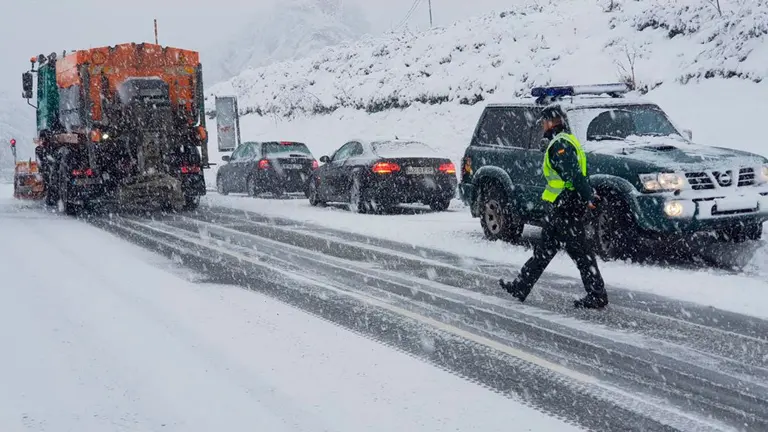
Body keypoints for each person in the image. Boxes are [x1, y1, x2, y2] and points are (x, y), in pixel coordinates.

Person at [499, 106, 608, 309]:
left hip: (566, 206)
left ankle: (597, 294)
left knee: (578, 252)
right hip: (564, 206)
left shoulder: (560, 145)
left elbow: (573, 174)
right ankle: (521, 285)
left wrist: (588, 196)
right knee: (547, 250)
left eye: (543, 122)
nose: (542, 125)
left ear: (551, 122)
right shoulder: (565, 140)